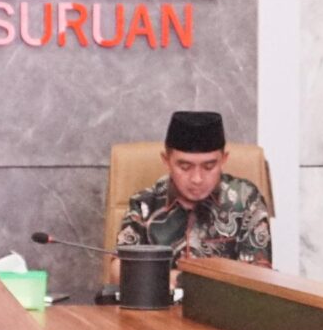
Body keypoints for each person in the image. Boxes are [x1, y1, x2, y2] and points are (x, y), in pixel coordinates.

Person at [115, 109, 272, 273]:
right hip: (162, 290)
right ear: (166, 160)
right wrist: (167, 279)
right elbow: (117, 268)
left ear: (223, 160)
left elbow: (260, 272)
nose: (197, 179)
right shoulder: (145, 204)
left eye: (209, 167)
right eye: (185, 167)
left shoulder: (246, 199)